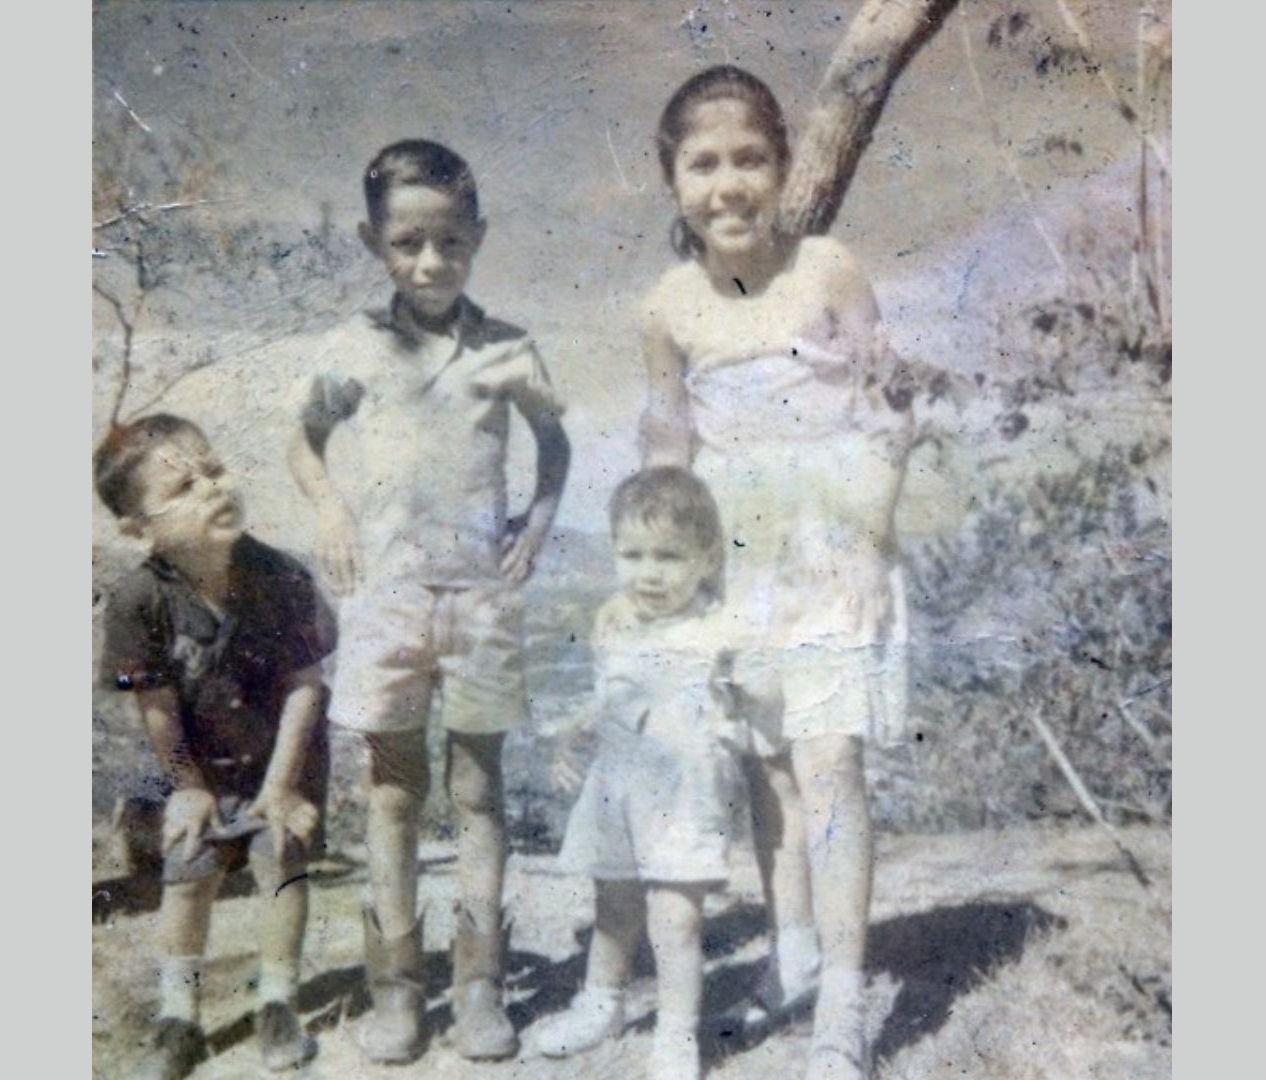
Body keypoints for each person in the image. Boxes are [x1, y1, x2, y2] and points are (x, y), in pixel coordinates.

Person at [637, 65, 917, 1080]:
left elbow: (890, 407)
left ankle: (843, 999)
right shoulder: (668, 307)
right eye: (703, 164)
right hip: (739, 562)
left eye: (749, 158)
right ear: (672, 180)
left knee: (831, 760)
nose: (728, 184)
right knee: (769, 770)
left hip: (833, 547)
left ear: (785, 165)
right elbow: (669, 433)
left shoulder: (828, 269)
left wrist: (870, 543)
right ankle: (790, 955)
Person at [286, 138, 571, 1063]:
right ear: (376, 244)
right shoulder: (351, 348)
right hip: (388, 601)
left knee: (479, 790)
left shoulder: (509, 347)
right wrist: (329, 507)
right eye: (408, 243)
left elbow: (553, 443)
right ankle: (397, 990)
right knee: (393, 796)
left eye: (449, 241)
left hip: (480, 601)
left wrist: (539, 516)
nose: (430, 262)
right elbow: (303, 439)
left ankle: (480, 986)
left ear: (477, 236)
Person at [96, 414, 337, 1079]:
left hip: (283, 761)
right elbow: (156, 707)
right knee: (188, 866)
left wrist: (283, 787)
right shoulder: (136, 599)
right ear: (138, 528)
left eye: (216, 470)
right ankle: (180, 1014)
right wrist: (189, 788)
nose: (211, 490)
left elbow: (306, 687)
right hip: (195, 766)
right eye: (182, 490)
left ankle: (280, 1001)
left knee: (280, 858)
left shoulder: (282, 576)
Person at [524, 468, 766, 1080]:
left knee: (676, 915)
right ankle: (601, 1003)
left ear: (707, 558)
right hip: (618, 789)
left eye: (668, 556)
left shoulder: (718, 628)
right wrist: (574, 736)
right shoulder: (617, 622)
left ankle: (676, 1034)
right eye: (632, 556)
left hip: (687, 796)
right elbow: (613, 697)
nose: (648, 573)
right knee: (613, 903)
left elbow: (756, 692)